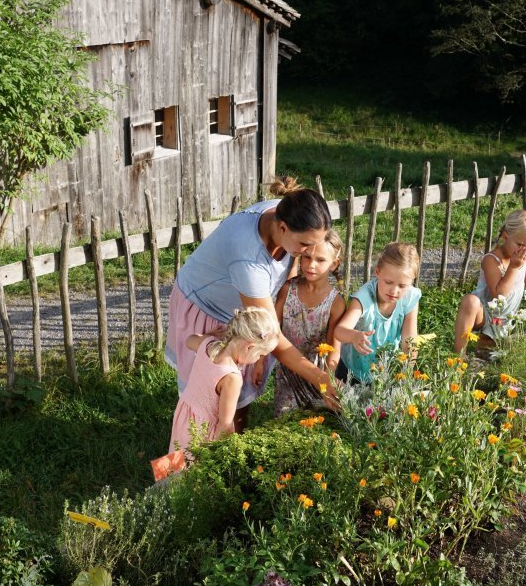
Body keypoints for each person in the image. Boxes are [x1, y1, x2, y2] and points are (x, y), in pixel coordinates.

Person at [166, 176, 336, 428]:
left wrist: (260, 357)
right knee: (210, 398)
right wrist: (321, 379)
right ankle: (200, 448)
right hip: (207, 308)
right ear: (282, 229)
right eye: (305, 245)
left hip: (244, 315)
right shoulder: (248, 259)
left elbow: (283, 279)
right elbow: (268, 332)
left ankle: (233, 436)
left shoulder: (287, 215)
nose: (310, 253)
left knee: (237, 394)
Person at [168, 307, 280, 458]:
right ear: (250, 347)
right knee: (196, 475)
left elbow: (189, 341)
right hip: (203, 432)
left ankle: (168, 479)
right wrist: (223, 454)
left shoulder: (208, 344)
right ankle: (181, 481)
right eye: (260, 354)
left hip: (185, 416)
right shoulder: (231, 378)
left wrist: (208, 335)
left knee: (177, 459)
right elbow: (225, 424)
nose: (257, 359)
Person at [272, 230, 346, 414]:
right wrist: (259, 364)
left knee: (320, 419)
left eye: (320, 260)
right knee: (284, 420)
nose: (311, 265)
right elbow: (271, 330)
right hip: (287, 372)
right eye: (306, 257)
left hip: (318, 374)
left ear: (334, 264)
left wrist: (327, 380)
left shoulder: (335, 303)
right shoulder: (288, 290)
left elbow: (333, 349)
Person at [454, 208, 526, 355]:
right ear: (505, 237)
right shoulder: (492, 260)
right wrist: (514, 267)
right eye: (520, 244)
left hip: (509, 319)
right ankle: (458, 357)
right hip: (486, 316)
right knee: (470, 301)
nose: (524, 250)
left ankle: (487, 344)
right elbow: (498, 295)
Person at [335, 242, 422, 382]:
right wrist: (354, 336)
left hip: (385, 370)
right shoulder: (363, 298)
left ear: (412, 281)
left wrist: (407, 371)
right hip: (352, 371)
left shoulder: (410, 298)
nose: (394, 291)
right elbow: (339, 331)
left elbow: (409, 339)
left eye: (402, 285)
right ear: (377, 272)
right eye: (388, 282)